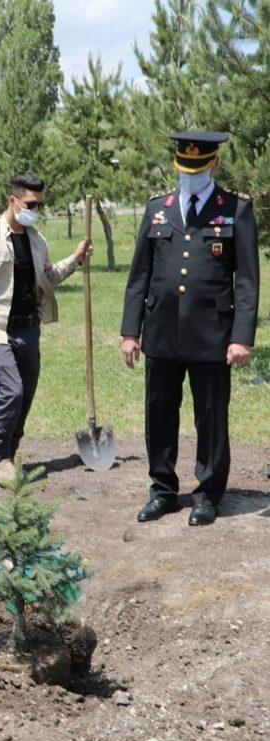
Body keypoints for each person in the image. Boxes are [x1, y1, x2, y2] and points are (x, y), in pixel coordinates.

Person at [121, 131, 260, 526]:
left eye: (197, 169)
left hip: (212, 334)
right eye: (184, 169)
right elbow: (139, 276)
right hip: (162, 332)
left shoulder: (234, 209)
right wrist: (131, 331)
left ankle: (208, 493)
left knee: (211, 415)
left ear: (213, 164)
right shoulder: (157, 209)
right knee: (159, 412)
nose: (190, 176)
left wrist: (241, 337)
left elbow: (247, 280)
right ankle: (162, 489)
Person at [0, 172, 92, 486]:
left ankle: (10, 452)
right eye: (31, 204)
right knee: (12, 391)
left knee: (26, 394)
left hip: (29, 329)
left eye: (40, 205)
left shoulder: (36, 239)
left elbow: (48, 277)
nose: (36, 210)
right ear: (13, 200)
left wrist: (75, 260)